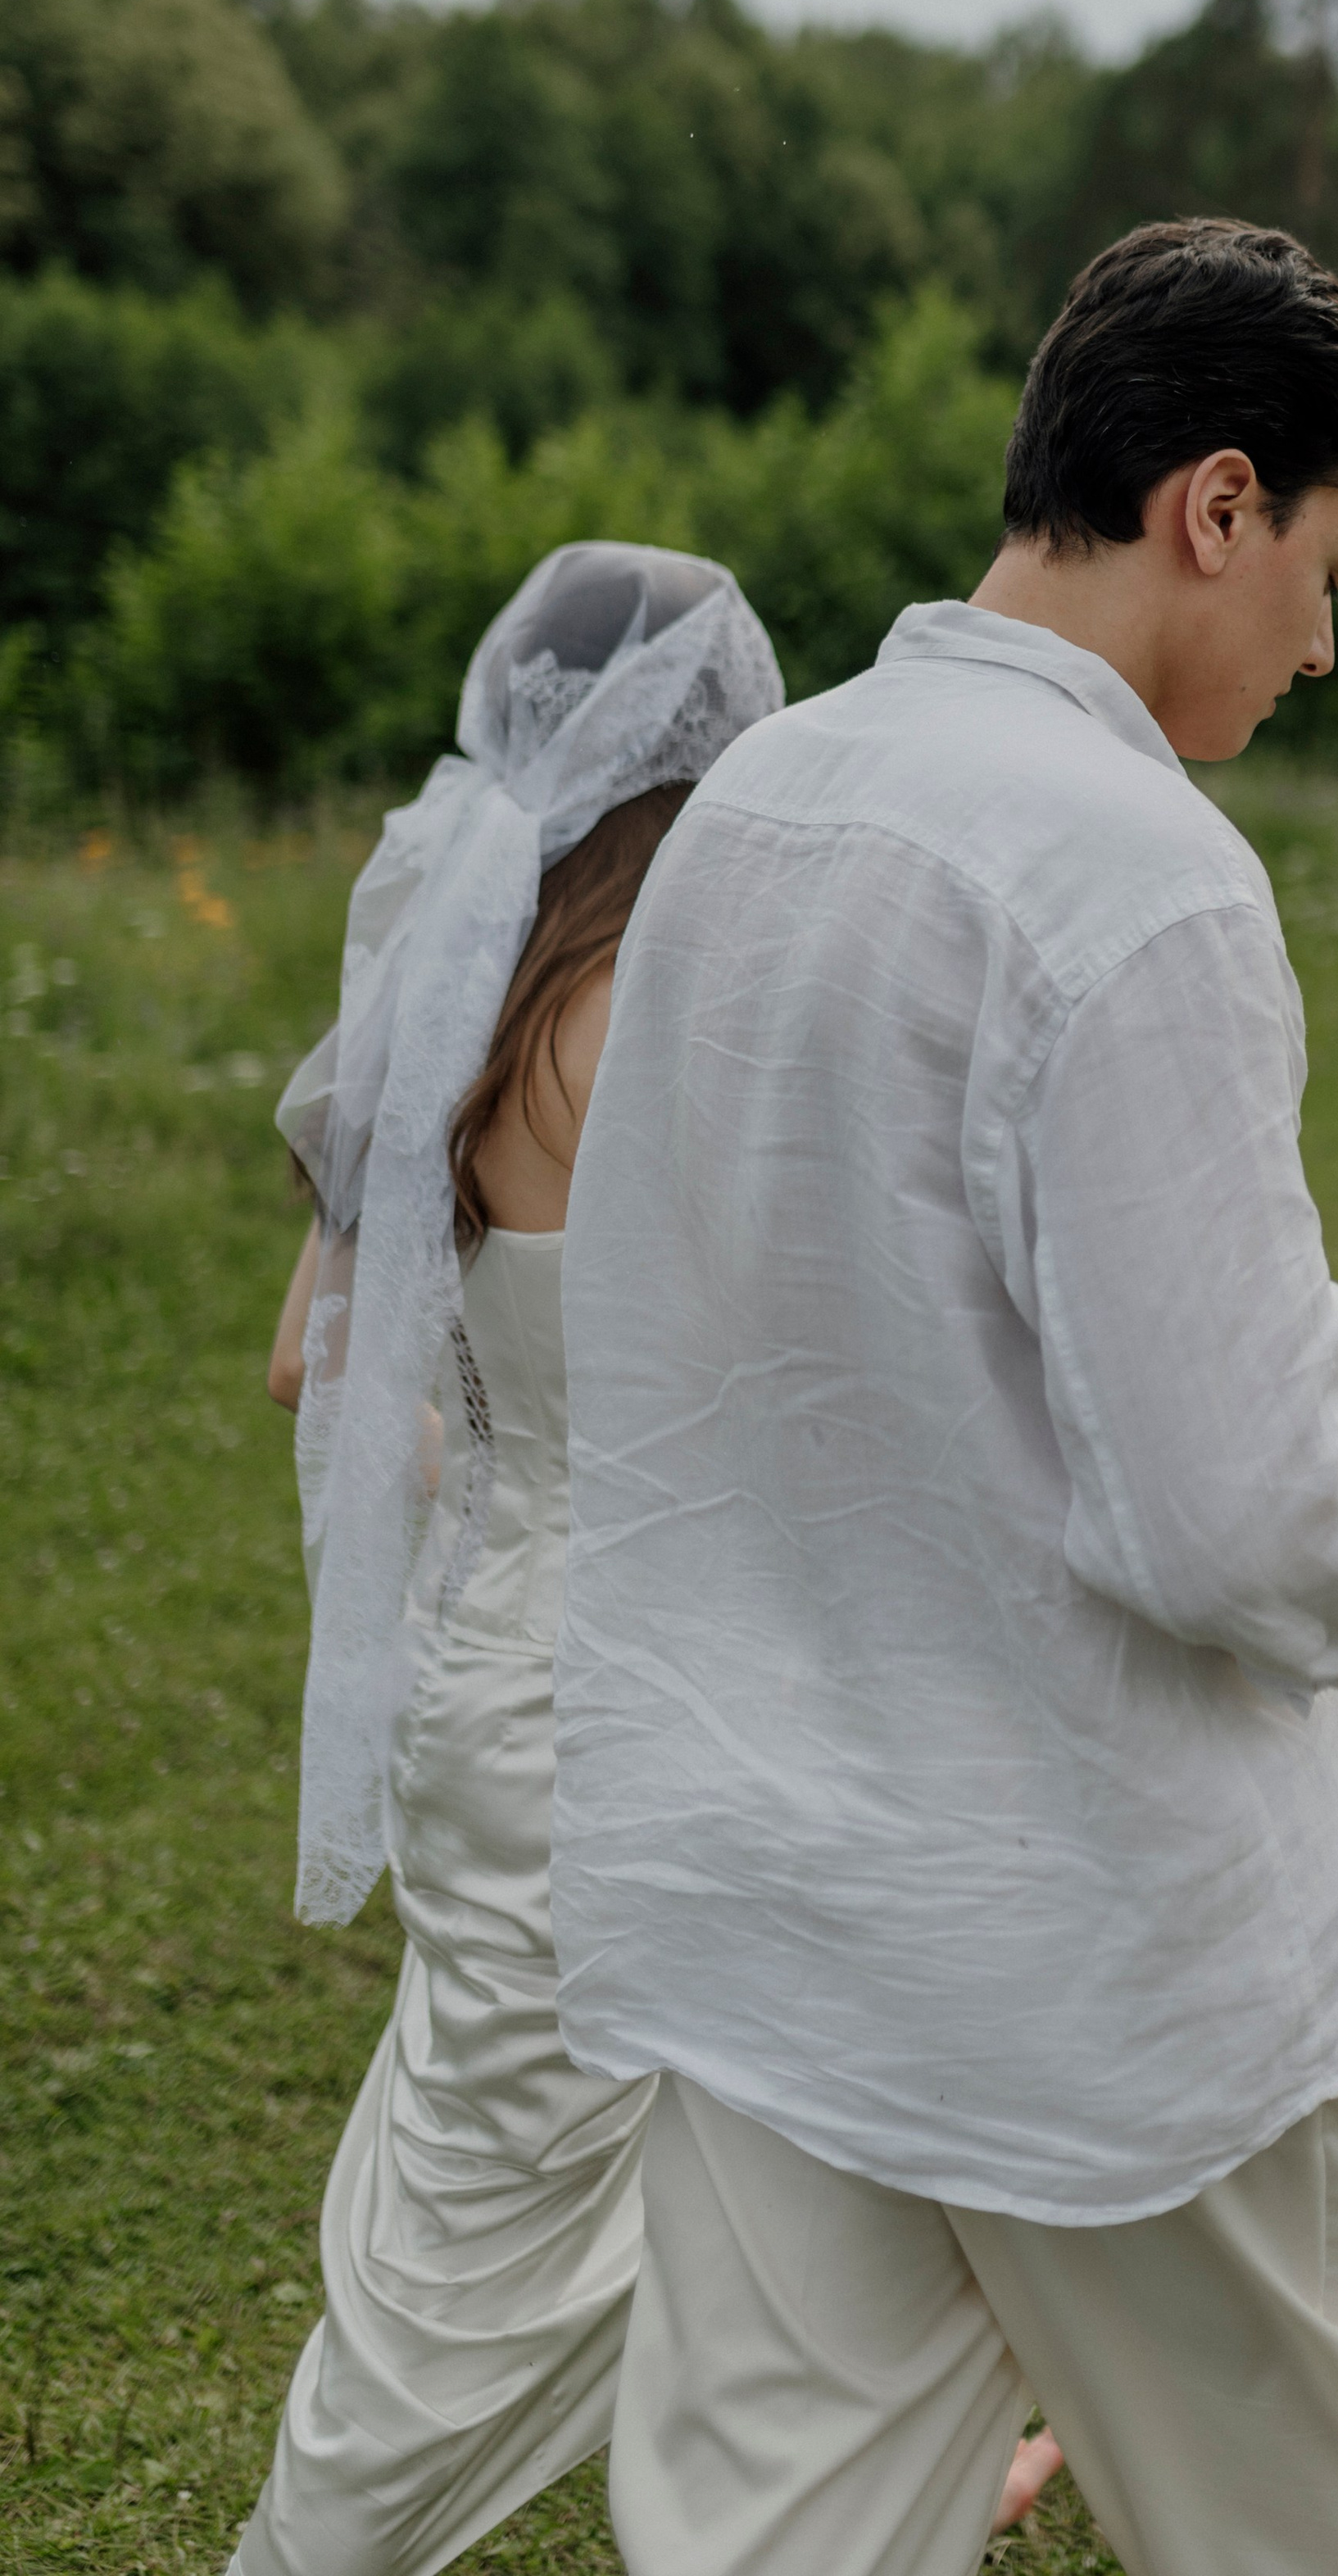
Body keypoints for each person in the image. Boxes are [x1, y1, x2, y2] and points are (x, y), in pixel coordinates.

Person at [550, 223, 1338, 2576]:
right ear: (1211, 508)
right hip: (1089, 1947)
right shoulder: (1145, 877)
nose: (1327, 640)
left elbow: (785, 1321)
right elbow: (1229, 1519)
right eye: (1324, 566)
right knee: (1315, 2533)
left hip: (766, 1893)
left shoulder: (762, 797)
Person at [229, 540, 1066, 2576]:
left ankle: (909, 2463)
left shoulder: (466, 994)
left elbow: (306, 1366)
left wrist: (516, 1443)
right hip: (640, 1708)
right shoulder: (659, 1006)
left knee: (773, 2136)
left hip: (488, 1684)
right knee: (483, 2279)